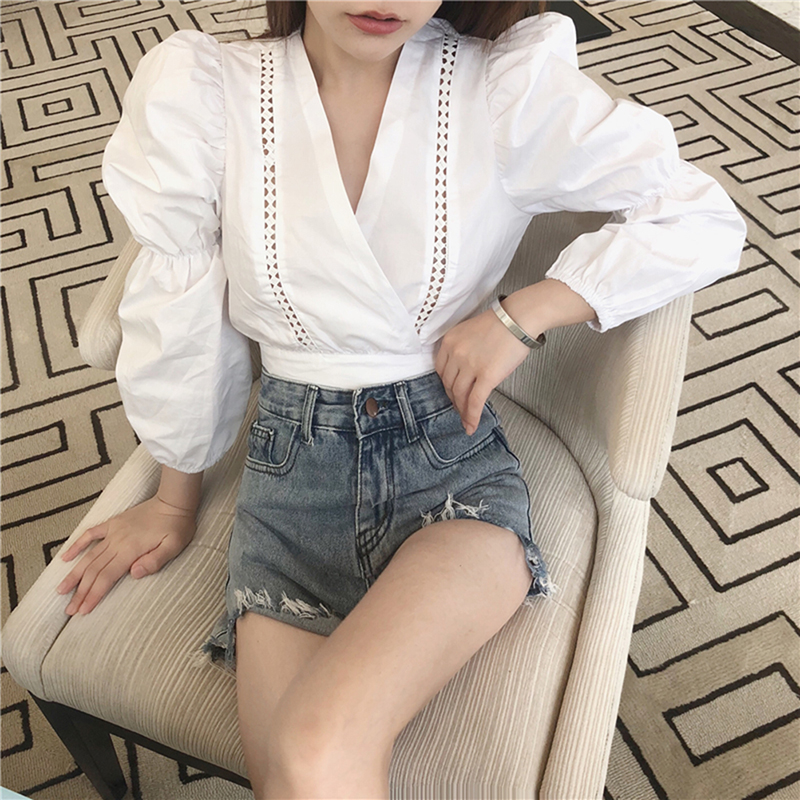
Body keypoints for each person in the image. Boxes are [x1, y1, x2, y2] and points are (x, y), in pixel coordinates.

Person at [55, 1, 747, 796]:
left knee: (313, 745)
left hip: (446, 469)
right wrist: (174, 501)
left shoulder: (502, 93)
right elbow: (182, 318)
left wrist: (524, 314)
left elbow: (699, 215)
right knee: (287, 771)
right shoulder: (209, 96)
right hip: (288, 486)